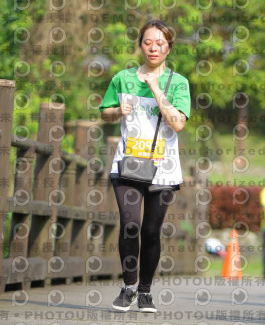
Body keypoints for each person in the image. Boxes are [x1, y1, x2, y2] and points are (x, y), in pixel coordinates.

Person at [100, 19, 191, 313]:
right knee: (130, 225)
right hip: (127, 165)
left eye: (160, 43)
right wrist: (117, 110)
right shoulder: (122, 78)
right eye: (148, 42)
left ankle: (145, 291)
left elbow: (177, 124)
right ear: (140, 45)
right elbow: (105, 114)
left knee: (151, 231)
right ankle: (127, 287)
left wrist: (156, 89)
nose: (154, 47)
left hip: (163, 169)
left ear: (169, 47)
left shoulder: (178, 83)